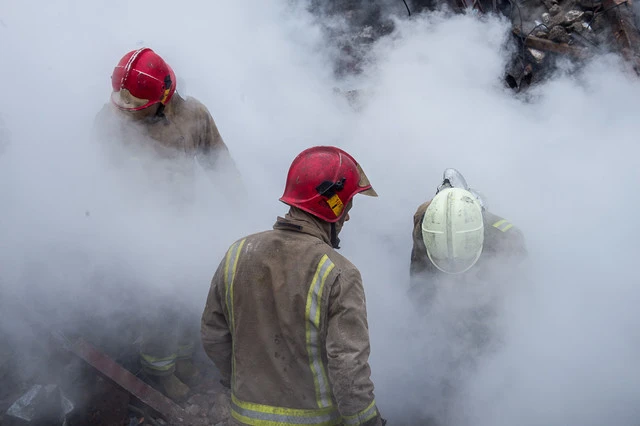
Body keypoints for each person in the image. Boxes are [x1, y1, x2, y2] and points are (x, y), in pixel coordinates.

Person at [93, 47, 242, 401]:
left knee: (190, 292)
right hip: (141, 228)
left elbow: (219, 163)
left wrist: (239, 207)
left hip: (184, 220)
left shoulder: (193, 115)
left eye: (136, 108)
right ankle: (159, 370)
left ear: (163, 95)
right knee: (158, 302)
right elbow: (99, 181)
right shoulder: (108, 121)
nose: (126, 113)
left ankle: (185, 357)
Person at [201, 146, 386, 426]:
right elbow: (348, 367)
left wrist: (237, 381)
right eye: (347, 205)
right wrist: (368, 421)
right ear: (331, 205)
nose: (347, 216)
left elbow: (213, 335)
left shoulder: (239, 252)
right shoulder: (340, 273)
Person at [410, 168, 527, 281]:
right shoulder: (424, 221)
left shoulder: (505, 236)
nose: (454, 264)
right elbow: (419, 271)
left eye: (461, 260)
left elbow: (518, 256)